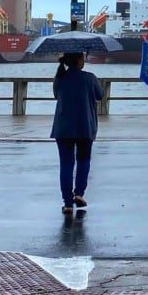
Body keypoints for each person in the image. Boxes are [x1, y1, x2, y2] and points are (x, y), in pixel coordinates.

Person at [51, 53, 103, 215]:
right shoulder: (90, 78)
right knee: (84, 160)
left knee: (66, 165)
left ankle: (67, 203)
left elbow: (56, 95)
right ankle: (79, 193)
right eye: (82, 58)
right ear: (79, 60)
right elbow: (100, 95)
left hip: (63, 127)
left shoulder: (60, 77)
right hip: (85, 126)